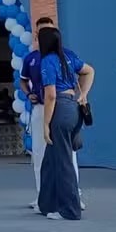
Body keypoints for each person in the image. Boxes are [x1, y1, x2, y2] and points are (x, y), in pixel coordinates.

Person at [20, 16, 94, 211]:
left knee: (66, 155)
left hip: (59, 107)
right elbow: (24, 81)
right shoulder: (32, 59)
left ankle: (72, 197)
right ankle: (45, 197)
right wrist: (29, 95)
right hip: (46, 107)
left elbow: (52, 94)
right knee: (42, 154)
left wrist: (83, 95)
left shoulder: (63, 56)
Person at [37, 26, 92, 220]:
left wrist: (45, 124)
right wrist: (83, 94)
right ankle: (47, 204)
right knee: (50, 162)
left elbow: (50, 96)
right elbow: (89, 71)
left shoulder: (47, 61)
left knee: (63, 163)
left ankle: (70, 210)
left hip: (59, 109)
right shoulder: (68, 58)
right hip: (72, 108)